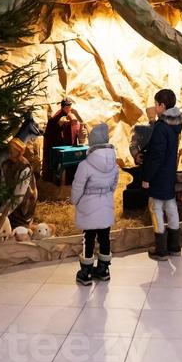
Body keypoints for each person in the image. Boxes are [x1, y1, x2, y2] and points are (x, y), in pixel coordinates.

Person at [137, 88, 182, 259]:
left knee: (155, 207)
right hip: (169, 173)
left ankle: (161, 249)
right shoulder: (175, 124)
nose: (154, 107)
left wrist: (147, 177)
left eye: (156, 104)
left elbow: (156, 155)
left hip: (158, 175)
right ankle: (175, 246)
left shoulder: (161, 127)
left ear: (162, 106)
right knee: (171, 207)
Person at [70, 124, 118, 283]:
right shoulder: (114, 163)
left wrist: (74, 201)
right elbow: (114, 184)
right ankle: (104, 270)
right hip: (105, 204)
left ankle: (86, 272)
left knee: (88, 238)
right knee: (105, 237)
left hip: (88, 206)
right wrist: (107, 194)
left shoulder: (85, 165)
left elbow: (78, 187)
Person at [42, 98, 84, 183]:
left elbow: (79, 126)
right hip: (59, 146)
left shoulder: (71, 115)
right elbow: (51, 132)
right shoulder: (57, 117)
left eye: (69, 106)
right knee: (59, 166)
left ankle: (68, 178)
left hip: (69, 145)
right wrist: (59, 125)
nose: (68, 108)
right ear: (62, 106)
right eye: (66, 106)